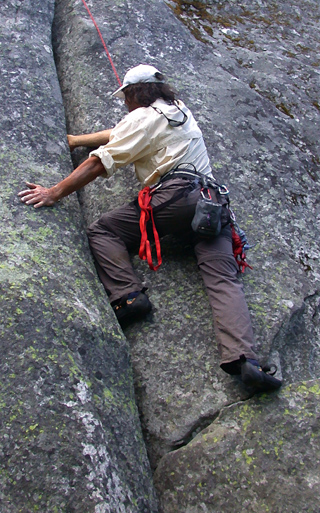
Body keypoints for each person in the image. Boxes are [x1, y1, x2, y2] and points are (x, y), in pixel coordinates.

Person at [18, 64, 282, 392]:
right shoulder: (180, 111)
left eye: (126, 98)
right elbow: (122, 134)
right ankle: (247, 361)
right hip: (212, 205)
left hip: (175, 197)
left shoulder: (142, 117)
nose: (125, 104)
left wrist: (53, 192)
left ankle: (129, 297)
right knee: (223, 280)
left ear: (133, 94)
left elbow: (100, 161)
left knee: (104, 230)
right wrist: (76, 140)